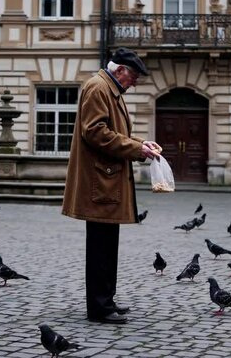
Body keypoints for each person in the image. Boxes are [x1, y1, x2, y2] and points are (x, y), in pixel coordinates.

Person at [62, 47, 161, 324]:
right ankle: (99, 308)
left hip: (105, 181)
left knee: (107, 246)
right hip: (99, 182)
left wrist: (141, 143)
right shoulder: (98, 88)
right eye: (133, 77)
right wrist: (137, 149)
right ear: (119, 71)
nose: (135, 82)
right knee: (100, 249)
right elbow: (95, 133)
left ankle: (107, 300)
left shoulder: (108, 88)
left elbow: (114, 132)